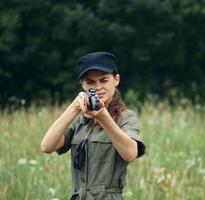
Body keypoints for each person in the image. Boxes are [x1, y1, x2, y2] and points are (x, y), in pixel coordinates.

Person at [40, 52, 146, 200]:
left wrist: (103, 117)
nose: (98, 87)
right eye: (90, 82)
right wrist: (74, 108)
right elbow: (47, 146)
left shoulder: (126, 117)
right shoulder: (80, 122)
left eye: (103, 80)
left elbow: (130, 153)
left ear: (116, 80)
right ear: (83, 85)